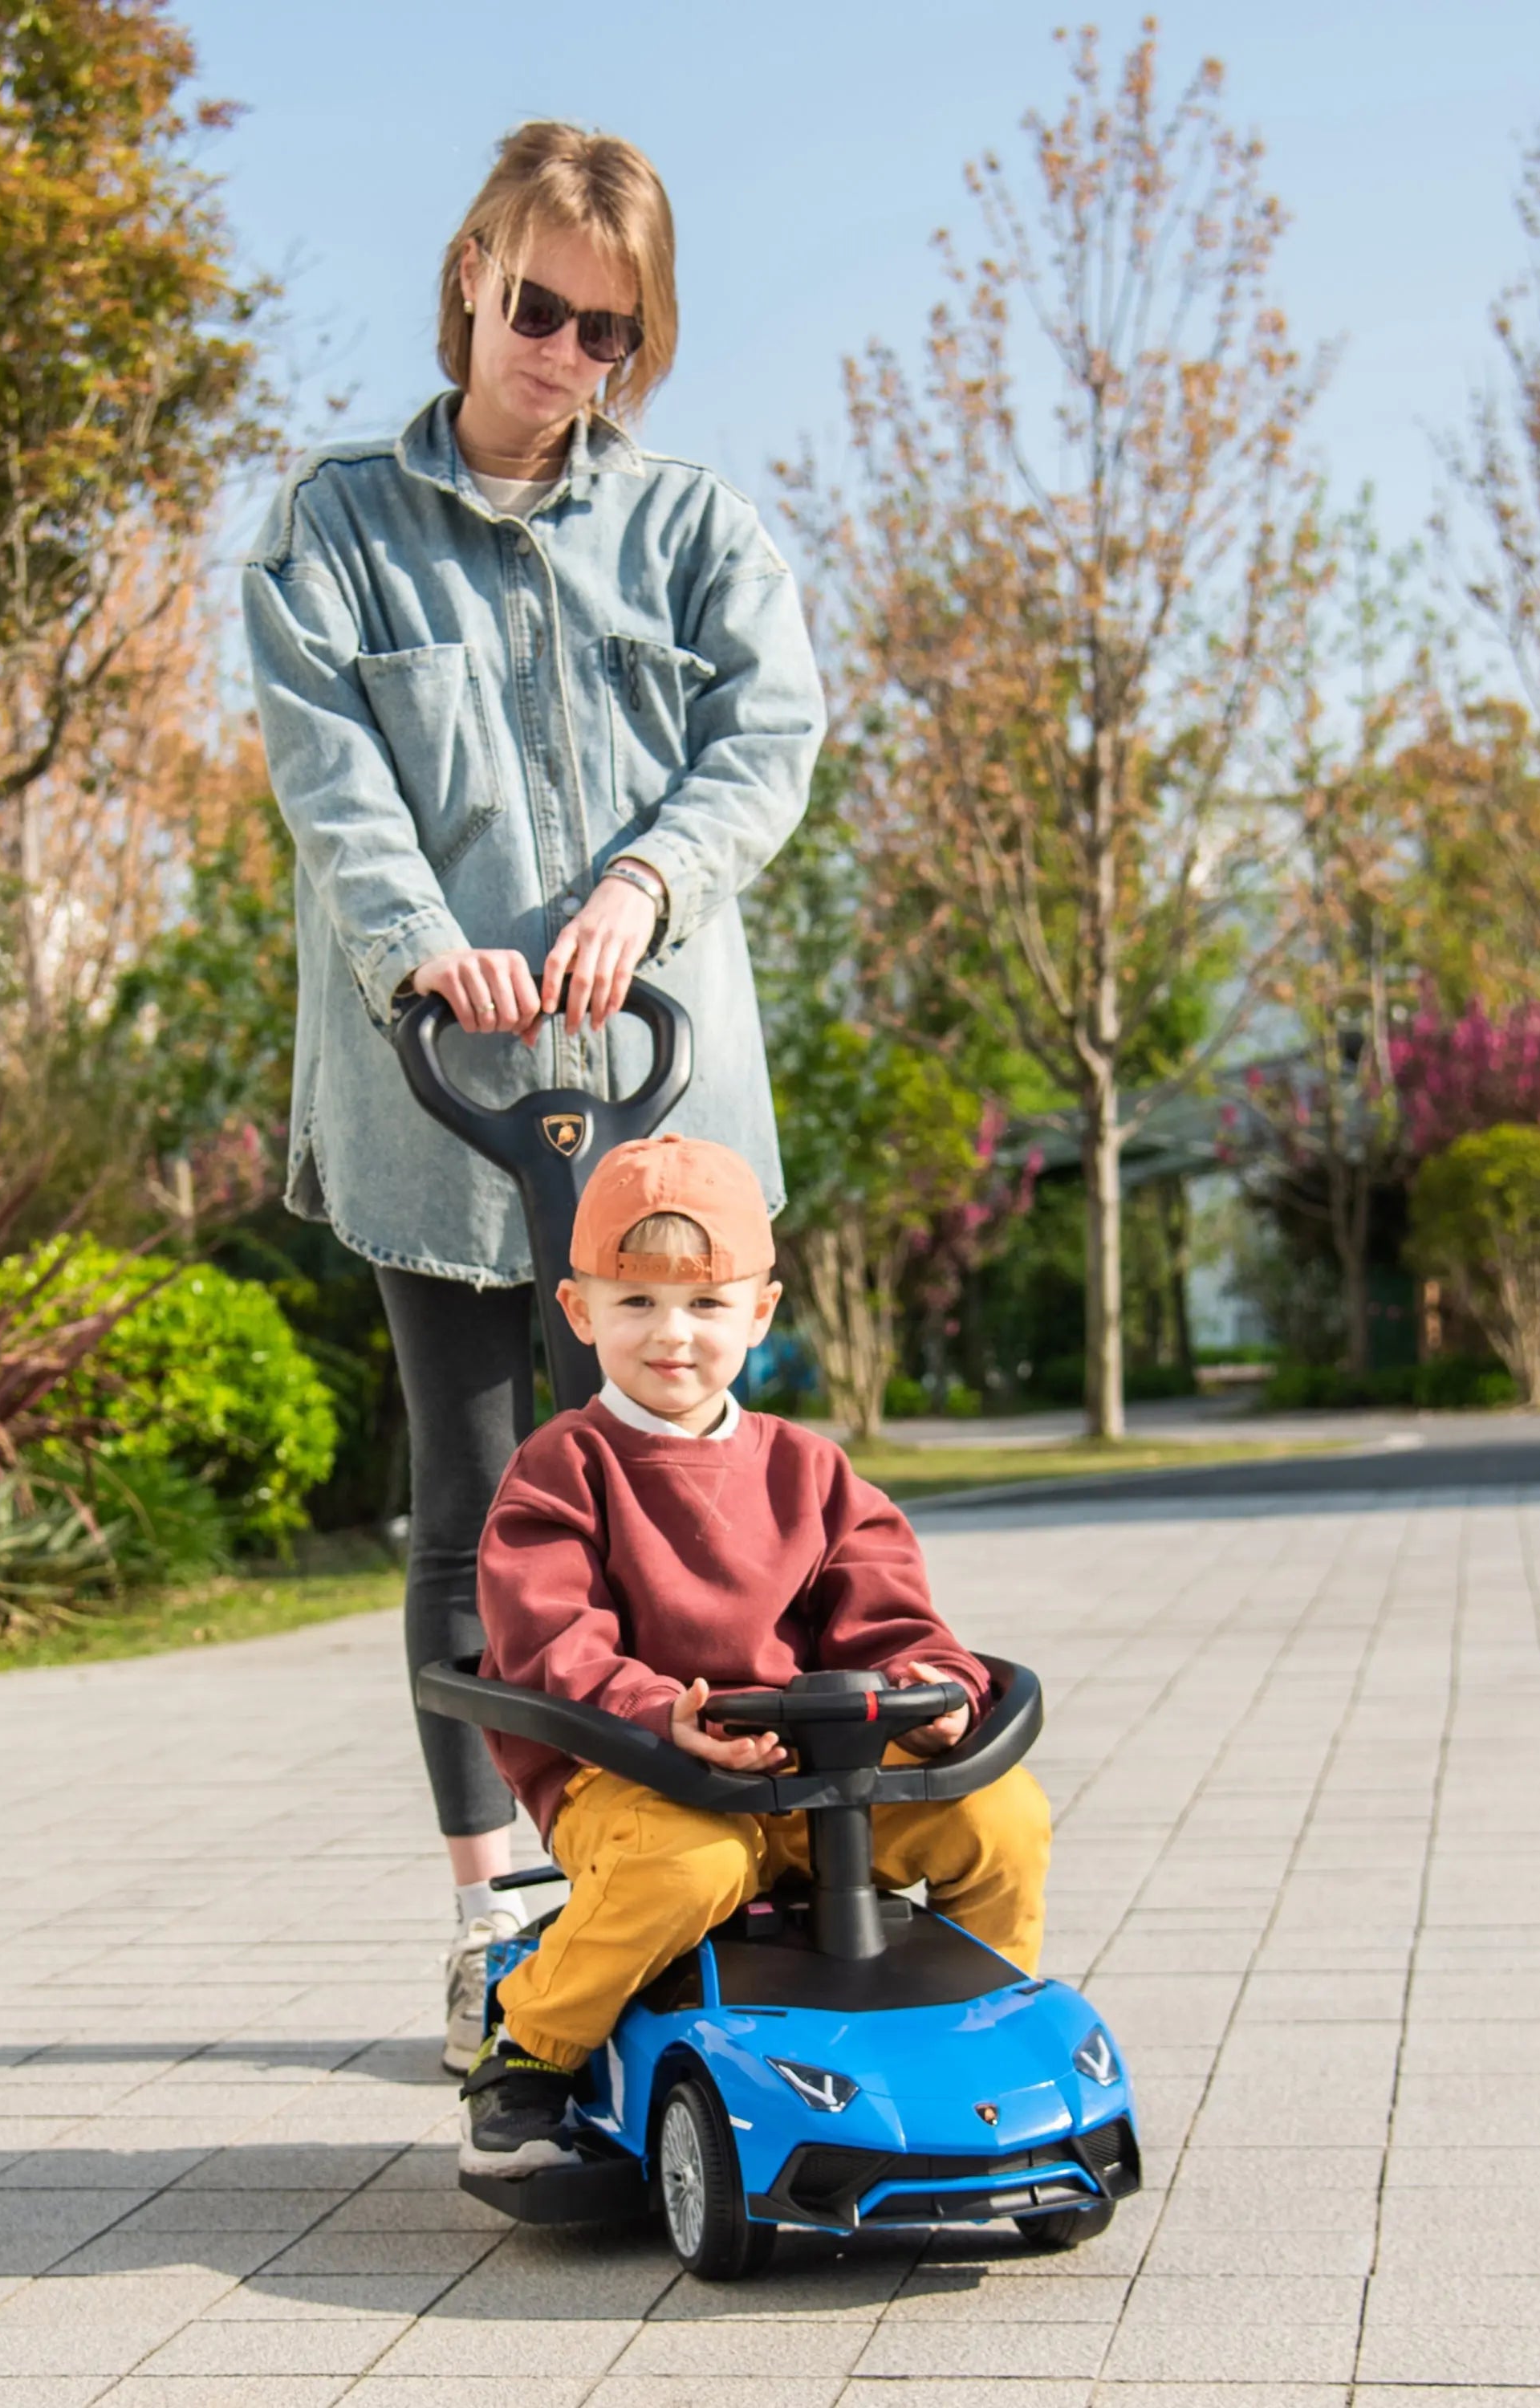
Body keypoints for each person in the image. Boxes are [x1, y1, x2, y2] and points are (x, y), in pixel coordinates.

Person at [242, 123, 823, 2073]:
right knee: (476, 1494)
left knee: (679, 1490)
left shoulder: (696, 531)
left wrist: (646, 884)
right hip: (444, 1084)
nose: (564, 350)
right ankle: (496, 1902)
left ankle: (678, 1854)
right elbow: (334, 784)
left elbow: (772, 736)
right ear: (473, 270)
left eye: (608, 329)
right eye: (538, 304)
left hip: (655, 1091)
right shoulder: (333, 526)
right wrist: (428, 941)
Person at [457, 1135, 1052, 2175]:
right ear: (580, 1310)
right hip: (638, 1775)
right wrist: (662, 1718)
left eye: (705, 1304)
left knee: (1001, 1815)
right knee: (693, 1863)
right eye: (635, 1304)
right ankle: (532, 2050)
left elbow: (890, 1614)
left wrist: (937, 1688)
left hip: (819, 1778)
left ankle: (971, 2038)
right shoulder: (564, 1470)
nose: (671, 1335)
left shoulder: (808, 1470)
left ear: (762, 1312)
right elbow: (551, 1642)